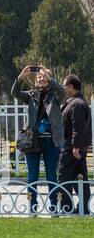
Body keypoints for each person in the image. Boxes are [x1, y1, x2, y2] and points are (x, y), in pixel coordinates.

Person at [11, 66, 65, 214]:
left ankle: (54, 207)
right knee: (32, 176)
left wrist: (48, 76)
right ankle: (32, 207)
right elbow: (14, 93)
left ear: (48, 79)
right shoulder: (31, 96)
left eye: (43, 77)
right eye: (38, 77)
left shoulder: (56, 96)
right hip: (32, 141)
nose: (40, 79)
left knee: (51, 176)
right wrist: (21, 77)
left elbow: (63, 91)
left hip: (51, 141)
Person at [57, 75, 91, 215]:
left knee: (63, 176)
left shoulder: (76, 104)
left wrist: (76, 147)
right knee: (79, 177)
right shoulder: (77, 101)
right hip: (76, 147)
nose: (63, 88)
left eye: (64, 85)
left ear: (71, 87)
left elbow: (78, 128)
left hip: (72, 148)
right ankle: (82, 208)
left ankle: (67, 208)